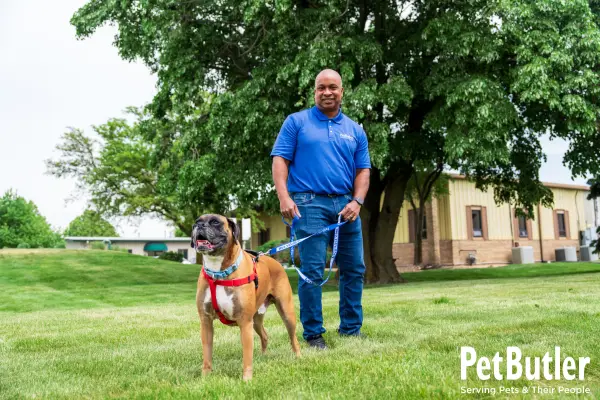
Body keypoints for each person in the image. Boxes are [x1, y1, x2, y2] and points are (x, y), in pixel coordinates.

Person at [270, 69, 371, 349]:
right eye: (321, 88)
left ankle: (351, 329)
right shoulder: (296, 122)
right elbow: (280, 160)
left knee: (354, 268)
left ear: (341, 91)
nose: (327, 92)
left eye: (333, 87)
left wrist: (357, 201)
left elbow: (363, 171)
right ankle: (313, 334)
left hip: (347, 206)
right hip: (308, 203)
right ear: (314, 91)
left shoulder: (355, 130)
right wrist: (284, 196)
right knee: (312, 270)